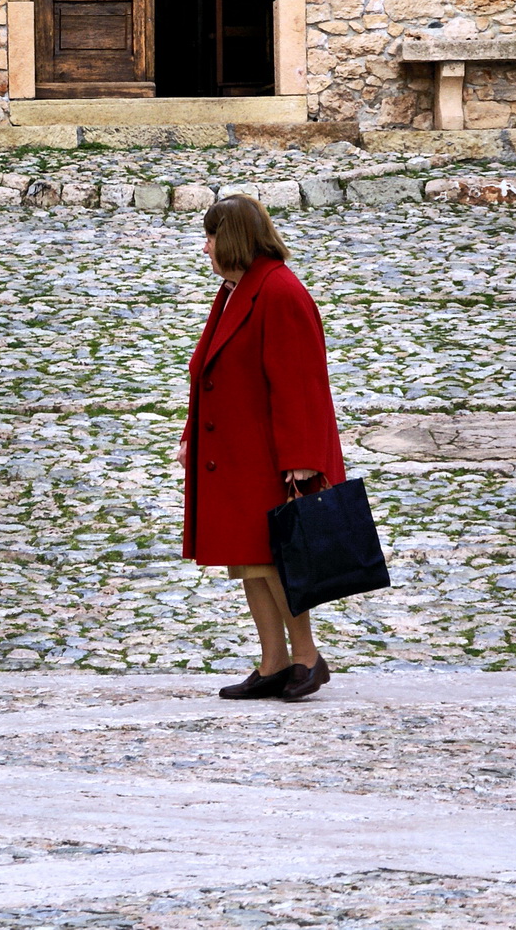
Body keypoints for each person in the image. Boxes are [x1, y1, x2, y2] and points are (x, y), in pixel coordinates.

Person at [176, 195, 346, 702]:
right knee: (250, 561)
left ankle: (308, 658)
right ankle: (273, 661)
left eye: (211, 237)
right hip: (236, 452)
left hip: (272, 456)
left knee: (277, 562)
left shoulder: (279, 291)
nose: (205, 248)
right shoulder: (237, 289)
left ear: (232, 239)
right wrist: (190, 434)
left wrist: (302, 458)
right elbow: (206, 371)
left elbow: (301, 382)